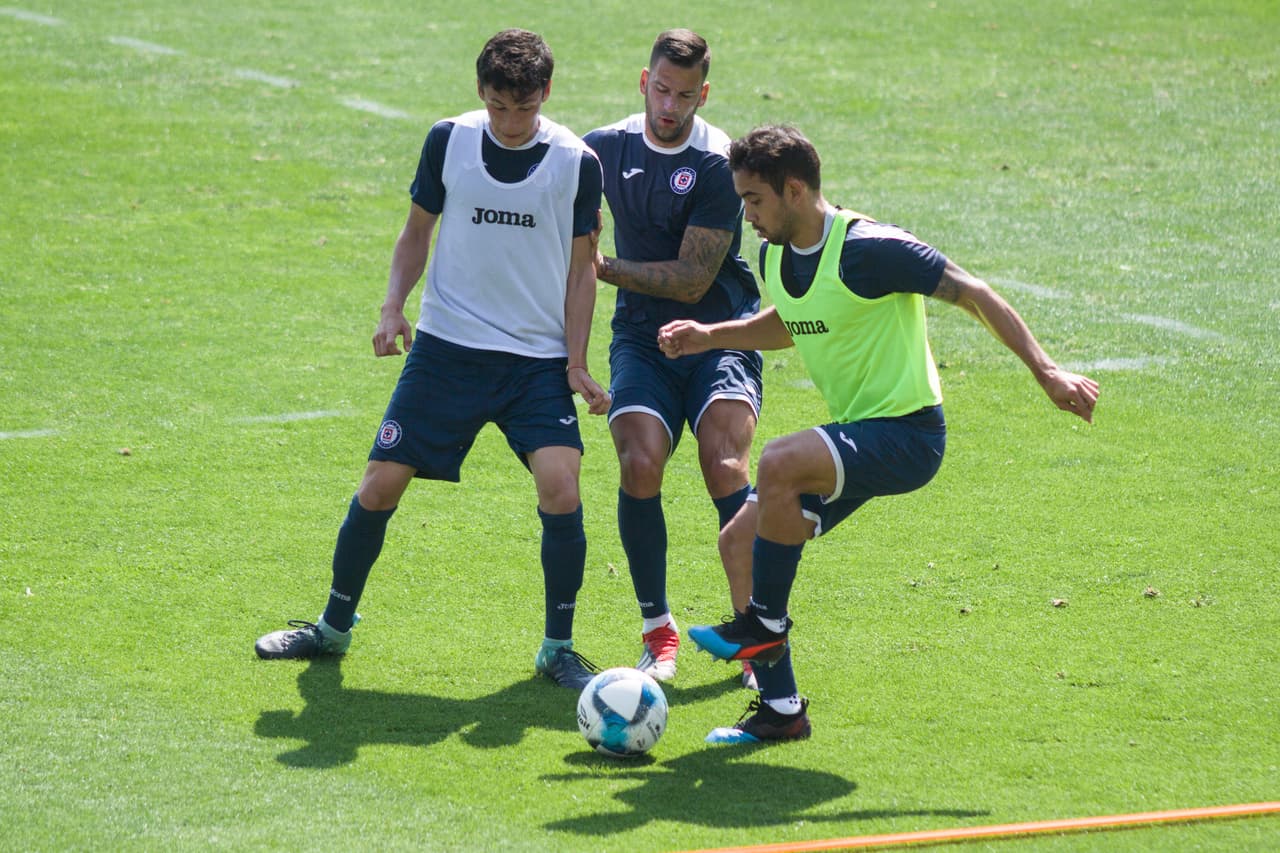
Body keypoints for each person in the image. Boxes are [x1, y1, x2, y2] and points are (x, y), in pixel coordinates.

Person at [660, 125, 1100, 743]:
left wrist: (1047, 372)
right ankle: (781, 711)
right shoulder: (773, 255)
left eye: (754, 200)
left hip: (908, 435)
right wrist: (711, 336)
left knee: (780, 459)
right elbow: (796, 320)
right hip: (855, 436)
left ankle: (762, 622)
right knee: (739, 543)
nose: (746, 214)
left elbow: (973, 293)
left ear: (793, 190)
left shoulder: (870, 248)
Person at [255, 29, 611, 691]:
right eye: (500, 106)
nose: (511, 121)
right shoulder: (448, 140)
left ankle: (556, 648)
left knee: (561, 487)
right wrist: (393, 306)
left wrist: (576, 362)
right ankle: (332, 628)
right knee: (378, 486)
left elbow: (583, 269)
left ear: (547, 95)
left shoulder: (576, 162)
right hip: (446, 350)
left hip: (533, 361)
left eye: (525, 108)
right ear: (481, 91)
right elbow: (417, 232)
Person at [583, 30, 762, 687]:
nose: (670, 104)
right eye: (661, 89)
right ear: (643, 81)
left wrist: (600, 267)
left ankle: (753, 631)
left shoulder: (720, 162)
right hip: (641, 338)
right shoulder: (601, 149)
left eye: (685, 95)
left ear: (703, 94)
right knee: (638, 461)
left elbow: (691, 279)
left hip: (719, 333)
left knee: (724, 463)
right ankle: (659, 632)